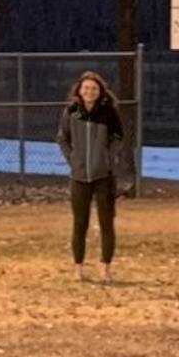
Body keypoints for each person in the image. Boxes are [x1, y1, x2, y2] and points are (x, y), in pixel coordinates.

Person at [57, 70, 125, 283]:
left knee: (106, 223)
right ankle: (78, 268)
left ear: (100, 91)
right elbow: (62, 139)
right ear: (79, 90)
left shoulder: (108, 112)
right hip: (79, 177)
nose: (89, 92)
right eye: (86, 88)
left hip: (103, 176)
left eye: (94, 88)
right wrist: (73, 159)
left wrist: (107, 157)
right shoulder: (71, 112)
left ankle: (105, 268)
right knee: (80, 223)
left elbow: (118, 137)